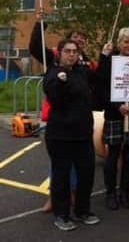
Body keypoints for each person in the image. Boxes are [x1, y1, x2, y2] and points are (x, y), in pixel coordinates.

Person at [29, 10, 94, 212]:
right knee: (59, 166)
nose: (78, 43)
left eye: (82, 40)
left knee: (80, 167)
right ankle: (55, 199)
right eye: (75, 39)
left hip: (80, 127)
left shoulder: (86, 64)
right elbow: (36, 48)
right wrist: (40, 25)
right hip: (55, 120)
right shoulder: (55, 59)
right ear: (66, 47)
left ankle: (74, 198)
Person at [43, 39, 100, 231]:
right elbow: (55, 100)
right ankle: (62, 215)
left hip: (83, 135)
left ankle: (82, 211)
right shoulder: (53, 74)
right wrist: (60, 82)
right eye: (67, 51)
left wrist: (106, 57)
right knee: (61, 177)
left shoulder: (82, 72)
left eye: (75, 51)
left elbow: (99, 78)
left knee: (86, 174)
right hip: (60, 136)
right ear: (59, 53)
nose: (71, 54)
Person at [95, 27, 129, 210]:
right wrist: (118, 105)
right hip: (115, 115)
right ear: (119, 42)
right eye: (126, 41)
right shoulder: (110, 61)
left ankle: (124, 192)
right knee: (113, 155)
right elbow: (102, 87)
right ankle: (111, 193)